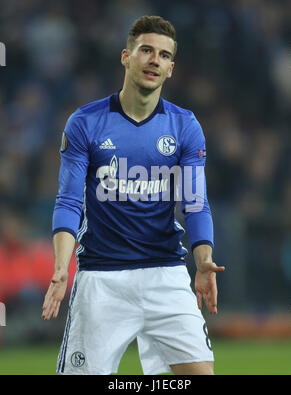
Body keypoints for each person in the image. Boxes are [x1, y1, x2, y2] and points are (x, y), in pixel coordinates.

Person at [42, 15, 225, 375]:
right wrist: (62, 268)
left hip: (166, 275)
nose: (154, 59)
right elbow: (68, 202)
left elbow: (195, 203)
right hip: (102, 280)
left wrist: (204, 260)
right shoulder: (86, 122)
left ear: (171, 68)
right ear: (127, 57)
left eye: (163, 55)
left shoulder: (184, 126)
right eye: (146, 50)